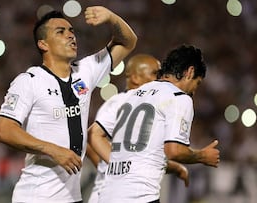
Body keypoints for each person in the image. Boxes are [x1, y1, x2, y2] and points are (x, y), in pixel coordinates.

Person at [0, 6, 137, 203]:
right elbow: (5, 130)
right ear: (43, 44)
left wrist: (112, 18)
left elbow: (128, 42)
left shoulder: (85, 71)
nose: (71, 36)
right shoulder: (29, 81)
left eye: (72, 31)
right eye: (60, 32)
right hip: (36, 197)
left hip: (72, 197)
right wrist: (53, 150)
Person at [88, 44, 220, 202]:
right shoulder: (179, 97)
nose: (194, 90)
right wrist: (202, 156)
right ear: (190, 72)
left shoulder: (133, 94)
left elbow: (95, 134)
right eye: (197, 83)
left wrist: (118, 163)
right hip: (139, 196)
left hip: (108, 194)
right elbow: (174, 151)